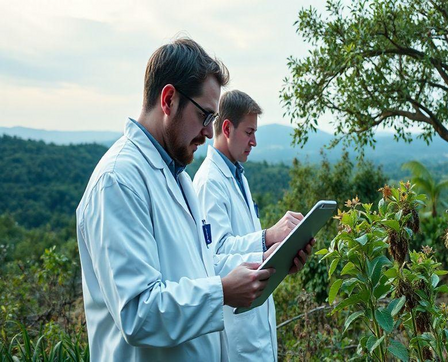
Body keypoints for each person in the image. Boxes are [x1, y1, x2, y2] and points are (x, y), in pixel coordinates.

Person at [76, 38, 308, 361]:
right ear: (169, 100)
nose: (209, 132)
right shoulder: (118, 182)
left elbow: (203, 266)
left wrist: (267, 260)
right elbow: (138, 312)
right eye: (204, 117)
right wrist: (223, 292)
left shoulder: (179, 178)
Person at [193, 90, 312, 361]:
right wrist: (268, 236)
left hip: (257, 327)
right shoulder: (209, 183)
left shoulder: (238, 177)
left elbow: (243, 243)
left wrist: (281, 257)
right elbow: (215, 255)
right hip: (236, 333)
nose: (254, 141)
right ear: (227, 128)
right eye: (249, 132)